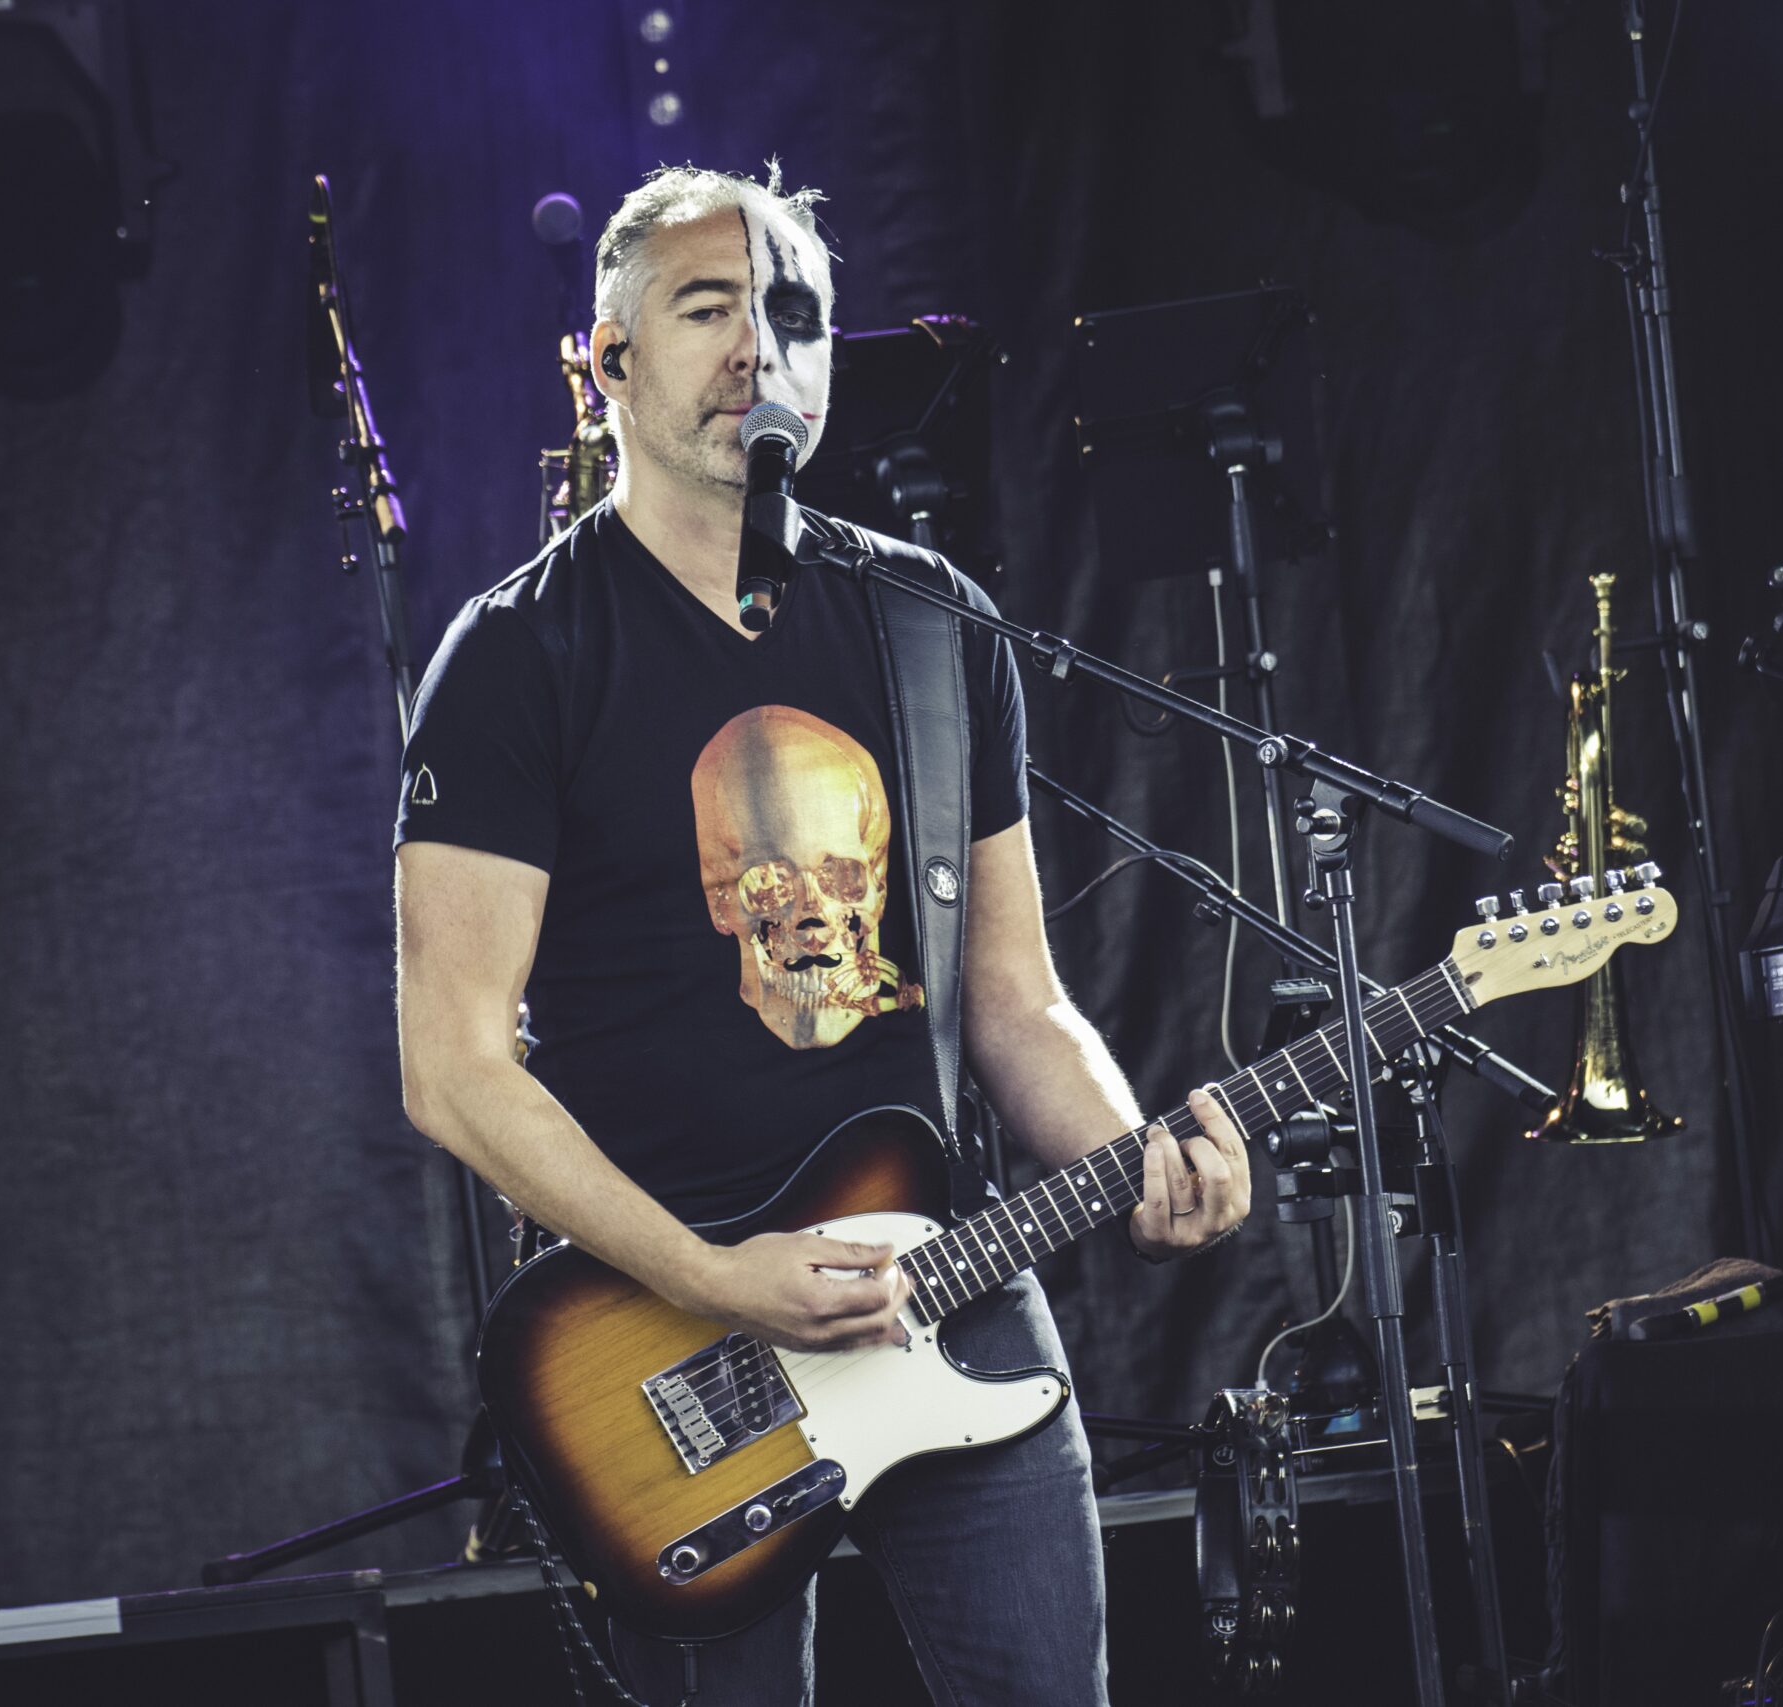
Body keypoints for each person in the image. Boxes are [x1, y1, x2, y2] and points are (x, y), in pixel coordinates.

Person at [392, 163, 1251, 1707]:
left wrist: (1139, 1167)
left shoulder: (931, 623)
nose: (757, 349)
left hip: (951, 1286)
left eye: (791, 316)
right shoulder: (520, 655)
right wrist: (715, 1276)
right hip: (667, 1347)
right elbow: (452, 1069)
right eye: (707, 308)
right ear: (609, 360)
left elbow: (1017, 1000)